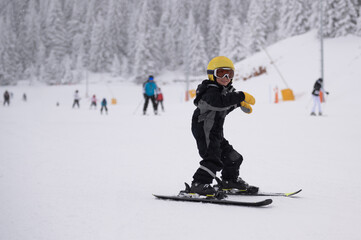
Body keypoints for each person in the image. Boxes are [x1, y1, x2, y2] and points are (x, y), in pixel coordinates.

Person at [189, 56, 258, 196]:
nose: (226, 77)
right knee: (213, 159)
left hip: (215, 131)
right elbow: (218, 103)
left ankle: (229, 181)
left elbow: (223, 107)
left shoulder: (223, 92)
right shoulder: (209, 91)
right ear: (212, 74)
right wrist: (241, 96)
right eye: (221, 73)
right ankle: (199, 184)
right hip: (204, 129)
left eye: (230, 74)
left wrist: (238, 104)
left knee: (234, 158)